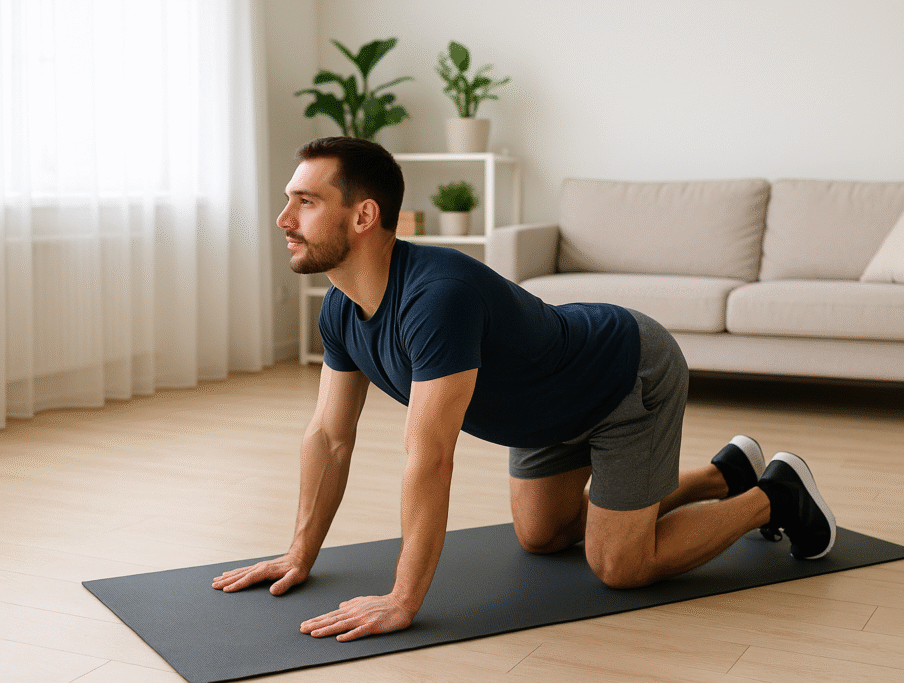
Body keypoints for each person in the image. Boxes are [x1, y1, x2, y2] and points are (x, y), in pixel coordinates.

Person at [211, 136, 836, 642]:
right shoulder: (342, 309)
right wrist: (299, 554)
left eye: (304, 201)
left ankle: (776, 495)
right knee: (542, 537)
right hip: (546, 411)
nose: (283, 218)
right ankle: (723, 473)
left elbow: (428, 456)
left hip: (621, 374)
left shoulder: (436, 298)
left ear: (363, 215)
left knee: (619, 566)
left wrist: (404, 599)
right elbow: (329, 437)